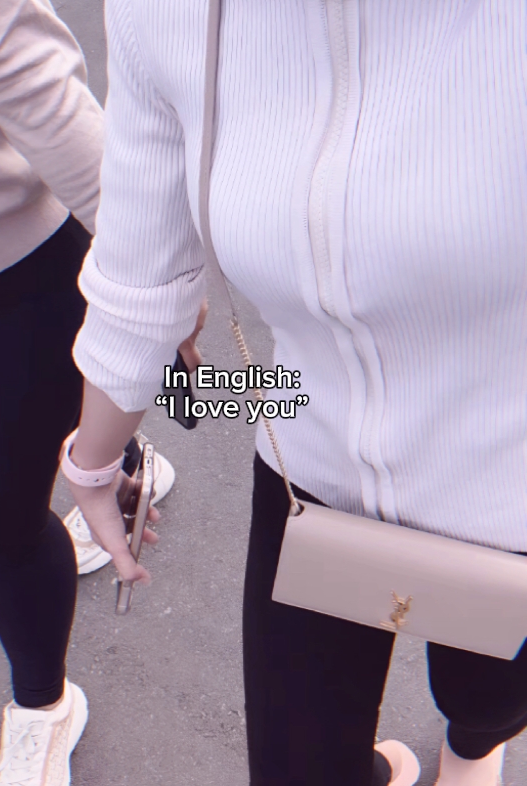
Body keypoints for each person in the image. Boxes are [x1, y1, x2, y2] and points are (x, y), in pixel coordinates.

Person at [64, 1, 527, 785]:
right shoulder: (169, 13)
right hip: (306, 461)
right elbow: (139, 269)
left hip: (509, 483)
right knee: (296, 767)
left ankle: (474, 746)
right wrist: (92, 463)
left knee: (485, 700)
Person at [0, 0, 194, 783]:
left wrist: (154, 289)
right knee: (37, 441)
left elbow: (46, 100)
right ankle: (118, 454)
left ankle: (44, 704)